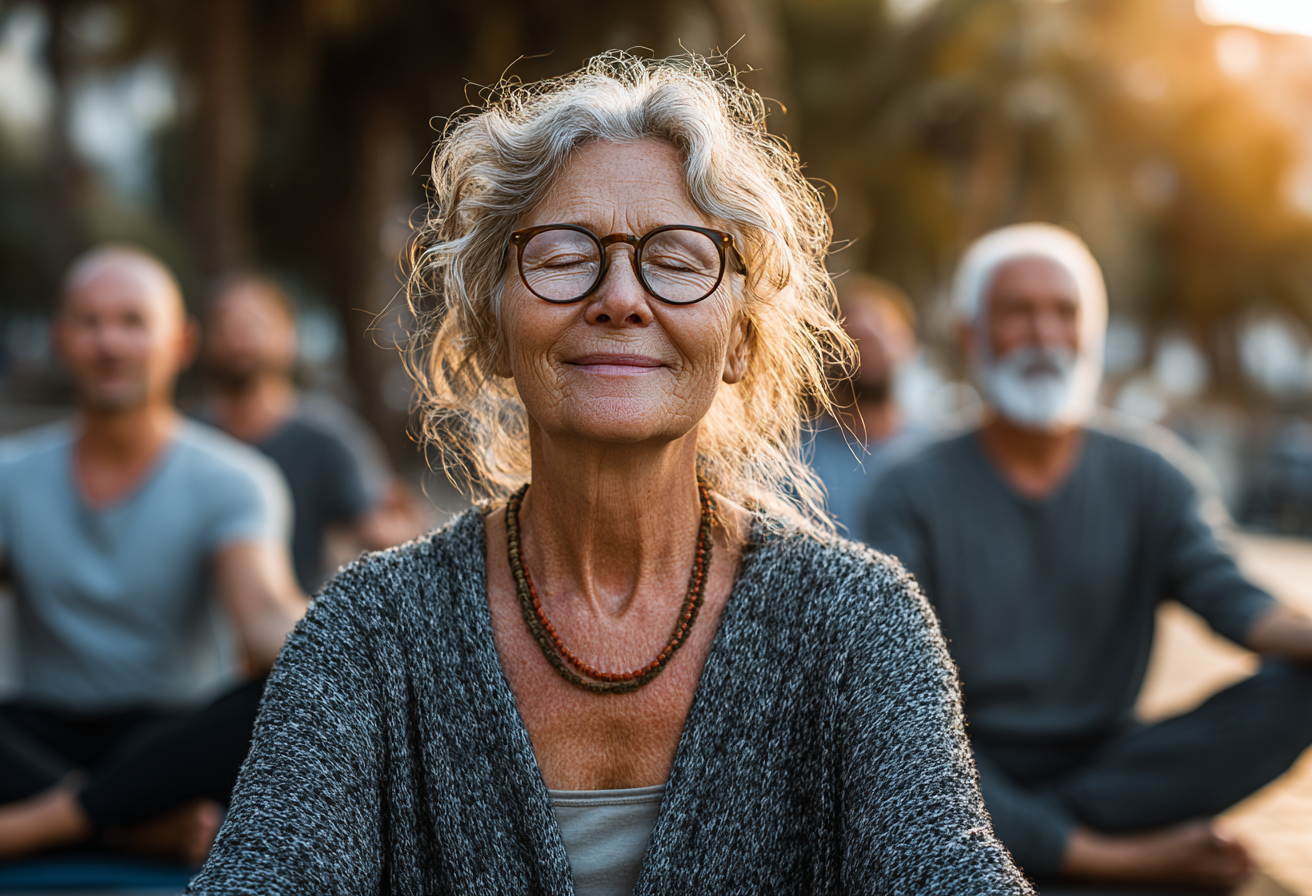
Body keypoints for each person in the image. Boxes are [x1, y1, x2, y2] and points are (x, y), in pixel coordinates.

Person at [186, 53, 1031, 895]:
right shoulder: (370, 633)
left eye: (678, 257)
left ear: (738, 338)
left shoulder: (859, 626)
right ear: (491, 326)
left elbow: (947, 869)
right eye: (561, 253)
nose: (621, 297)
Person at [865, 223, 1312, 888]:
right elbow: (891, 707)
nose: (1044, 333)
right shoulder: (910, 491)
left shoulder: (1153, 473)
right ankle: (1096, 860)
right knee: (898, 746)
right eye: (1018, 312)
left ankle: (1011, 846)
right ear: (971, 337)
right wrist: (1136, 861)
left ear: (1089, 334)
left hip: (1115, 772)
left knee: (1299, 688)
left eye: (1064, 313)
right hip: (964, 756)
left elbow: (1229, 595)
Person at [0, 246, 307, 864]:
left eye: (133, 322)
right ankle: (131, 827)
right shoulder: (10, 476)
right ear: (62, 339)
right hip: (40, 742)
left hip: (173, 744)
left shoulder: (234, 479)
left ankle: (39, 827)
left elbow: (265, 608)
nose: (110, 342)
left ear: (180, 342)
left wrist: (322, 648)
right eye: (90, 322)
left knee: (283, 692)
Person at [201, 273, 426, 592]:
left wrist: (396, 534)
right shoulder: (187, 439)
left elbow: (380, 522)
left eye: (253, 323)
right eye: (225, 325)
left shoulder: (328, 436)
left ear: (288, 336)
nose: (238, 338)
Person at [809, 275, 929, 540]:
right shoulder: (796, 461)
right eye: (853, 339)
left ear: (909, 345)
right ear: (826, 353)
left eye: (881, 335)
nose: (868, 347)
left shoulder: (935, 455)